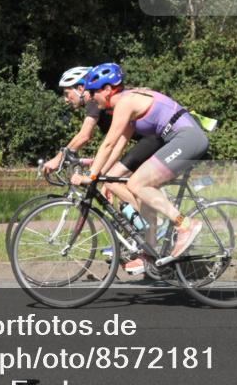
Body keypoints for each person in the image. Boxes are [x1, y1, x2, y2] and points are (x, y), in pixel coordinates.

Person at [70, 63, 209, 275]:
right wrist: (102, 175)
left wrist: (91, 176)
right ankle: (151, 253)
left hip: (187, 138)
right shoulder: (126, 105)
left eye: (93, 92)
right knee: (135, 187)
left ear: (107, 90)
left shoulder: (126, 103)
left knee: (137, 183)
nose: (91, 97)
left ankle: (185, 224)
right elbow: (118, 146)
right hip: (181, 139)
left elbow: (107, 143)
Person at [42, 66, 165, 195]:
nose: (65, 99)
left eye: (67, 93)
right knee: (112, 181)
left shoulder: (95, 101)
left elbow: (84, 136)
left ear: (80, 89)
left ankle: (148, 214)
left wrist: (58, 159)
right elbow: (118, 142)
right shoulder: (99, 102)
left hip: (152, 138)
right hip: (148, 139)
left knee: (117, 184)